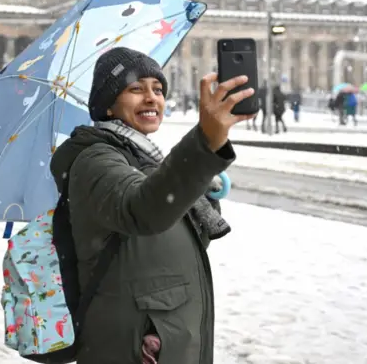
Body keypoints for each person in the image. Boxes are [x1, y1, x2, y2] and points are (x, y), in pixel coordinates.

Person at [50, 47, 254, 364]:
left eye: (157, 89)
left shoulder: (144, 156)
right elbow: (143, 211)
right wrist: (203, 145)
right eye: (136, 89)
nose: (151, 98)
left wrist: (201, 188)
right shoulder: (95, 159)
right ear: (107, 106)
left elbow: (175, 237)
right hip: (133, 346)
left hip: (162, 339)